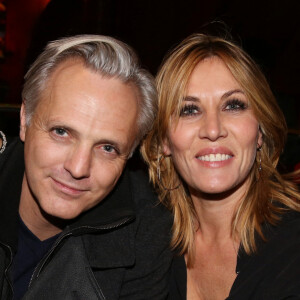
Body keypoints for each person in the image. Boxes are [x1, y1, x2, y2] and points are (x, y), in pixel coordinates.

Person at [0, 35, 172, 300]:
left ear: (130, 154)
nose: (78, 168)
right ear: (24, 119)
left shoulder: (146, 231)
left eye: (107, 148)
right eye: (61, 132)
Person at [142, 33, 300, 299]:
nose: (213, 130)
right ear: (164, 141)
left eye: (233, 105)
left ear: (260, 131)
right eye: (189, 110)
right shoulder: (144, 246)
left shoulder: (292, 249)